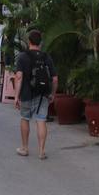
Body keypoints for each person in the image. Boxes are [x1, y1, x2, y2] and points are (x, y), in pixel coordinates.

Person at [13, 29, 58, 160]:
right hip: (43, 94)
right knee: (41, 120)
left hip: (27, 93)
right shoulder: (46, 57)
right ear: (40, 42)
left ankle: (25, 148)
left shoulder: (22, 56)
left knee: (25, 118)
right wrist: (52, 94)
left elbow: (19, 77)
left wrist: (16, 96)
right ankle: (42, 151)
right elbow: (55, 79)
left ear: (29, 41)